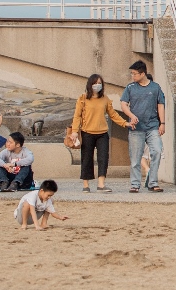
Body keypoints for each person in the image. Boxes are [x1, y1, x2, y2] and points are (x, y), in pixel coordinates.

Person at [70, 74, 127, 194]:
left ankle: (101, 184)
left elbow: (113, 114)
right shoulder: (83, 98)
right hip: (87, 132)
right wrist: (75, 131)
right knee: (86, 158)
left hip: (102, 133)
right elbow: (77, 116)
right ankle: (86, 184)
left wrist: (125, 123)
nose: (97, 85)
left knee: (103, 158)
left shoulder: (105, 99)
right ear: (90, 85)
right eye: (95, 83)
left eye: (99, 83)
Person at [120, 60, 166, 193]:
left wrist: (162, 123)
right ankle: (135, 184)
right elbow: (123, 104)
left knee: (157, 150)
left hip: (152, 126)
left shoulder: (155, 87)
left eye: (134, 74)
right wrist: (131, 116)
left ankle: (153, 182)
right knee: (135, 156)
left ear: (143, 73)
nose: (132, 76)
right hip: (136, 128)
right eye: (132, 74)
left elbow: (161, 105)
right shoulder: (130, 88)